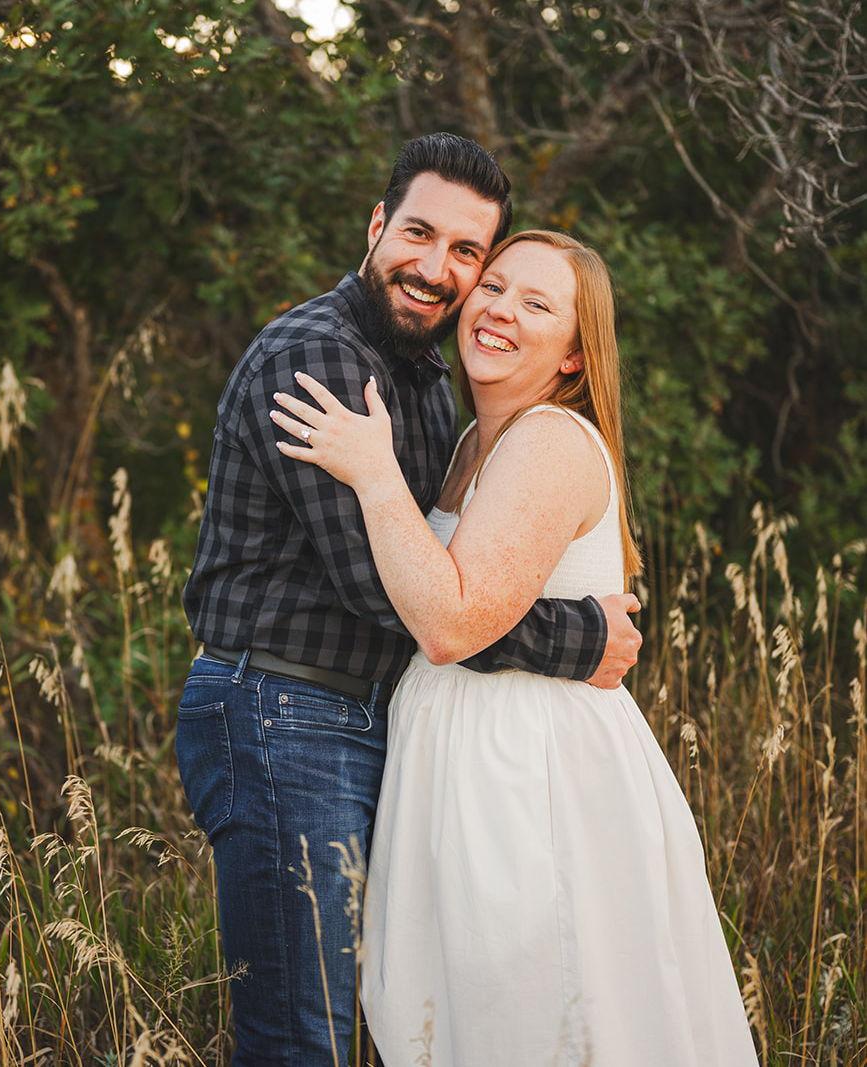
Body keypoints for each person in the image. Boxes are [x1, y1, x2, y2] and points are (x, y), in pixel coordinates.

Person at [177, 134, 642, 1065]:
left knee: (388, 1026)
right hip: (283, 713)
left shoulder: (433, 381)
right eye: (419, 234)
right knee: (301, 1034)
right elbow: (401, 595)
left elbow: (448, 572)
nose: (437, 269)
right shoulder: (316, 358)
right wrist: (577, 635)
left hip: (366, 724)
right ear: (376, 225)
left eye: (467, 252)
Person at [270, 229, 758, 1065]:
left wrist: (374, 472)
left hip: (525, 773)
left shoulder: (548, 439)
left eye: (535, 304)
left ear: (572, 356)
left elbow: (450, 624)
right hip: (459, 758)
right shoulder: (471, 442)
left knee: (530, 1015)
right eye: (493, 287)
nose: (499, 309)